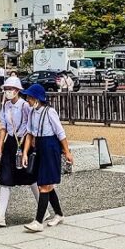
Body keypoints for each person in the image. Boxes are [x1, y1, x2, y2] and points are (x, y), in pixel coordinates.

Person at [19, 84, 75, 232]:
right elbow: (29, 134)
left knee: (44, 185)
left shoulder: (50, 112)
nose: (28, 100)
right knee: (45, 184)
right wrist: (25, 152)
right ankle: (59, 214)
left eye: (30, 97)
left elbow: (60, 133)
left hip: (50, 146)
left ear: (37, 99)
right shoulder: (31, 113)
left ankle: (38, 221)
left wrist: (67, 151)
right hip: (39, 147)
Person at [0, 78, 39, 226]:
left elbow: (30, 128)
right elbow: (3, 128)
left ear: (17, 90)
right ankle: (1, 215)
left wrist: (27, 150)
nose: (8, 91)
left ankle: (44, 209)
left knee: (30, 176)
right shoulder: (5, 106)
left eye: (11, 88)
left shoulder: (25, 106)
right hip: (11, 142)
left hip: (24, 142)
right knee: (5, 177)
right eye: (6, 88)